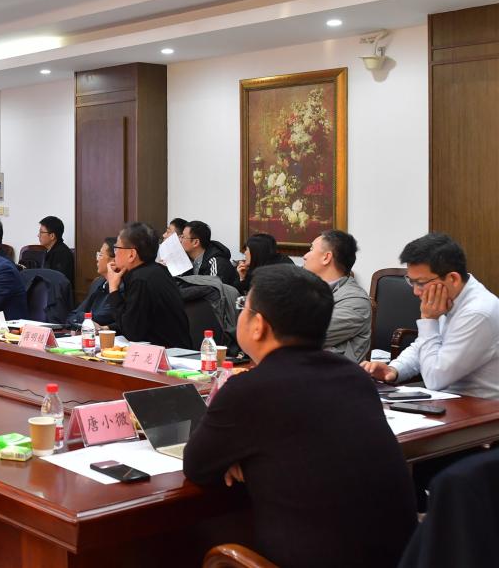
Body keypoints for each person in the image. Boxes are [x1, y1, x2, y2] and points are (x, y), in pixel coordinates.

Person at [183, 264, 416, 568]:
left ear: (258, 325)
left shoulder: (249, 390)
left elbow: (197, 466)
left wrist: (241, 460)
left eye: (243, 306)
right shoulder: (353, 376)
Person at [361, 233, 499, 399]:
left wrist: (428, 320)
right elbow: (425, 346)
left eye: (421, 283)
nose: (415, 291)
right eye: (411, 281)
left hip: (481, 408)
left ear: (453, 279)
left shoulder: (477, 313)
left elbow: (435, 379)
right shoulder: (451, 297)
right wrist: (394, 369)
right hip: (449, 400)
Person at [105, 222, 191, 348]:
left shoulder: (141, 280)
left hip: (168, 354)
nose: (115, 254)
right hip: (171, 349)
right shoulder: (157, 270)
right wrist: (108, 327)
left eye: (117, 248)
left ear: (131, 254)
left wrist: (113, 289)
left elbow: (132, 332)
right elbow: (138, 319)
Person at [302, 230, 371, 362]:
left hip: (328, 372)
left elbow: (302, 334)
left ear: (326, 257)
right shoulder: (306, 288)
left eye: (311, 249)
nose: (305, 256)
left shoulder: (356, 301)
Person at [65, 237, 118, 329]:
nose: (97, 259)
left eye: (100, 255)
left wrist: (81, 317)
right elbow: (72, 316)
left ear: (113, 261)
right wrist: (83, 317)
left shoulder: (122, 287)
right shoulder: (98, 282)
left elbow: (100, 318)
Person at [179, 220, 239, 288]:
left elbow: (214, 291)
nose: (180, 240)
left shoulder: (217, 262)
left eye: (183, 237)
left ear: (195, 242)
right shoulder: (187, 259)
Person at [38, 215, 75, 286]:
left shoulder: (63, 254)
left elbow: (59, 282)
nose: (38, 235)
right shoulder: (49, 250)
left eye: (41, 232)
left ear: (52, 236)